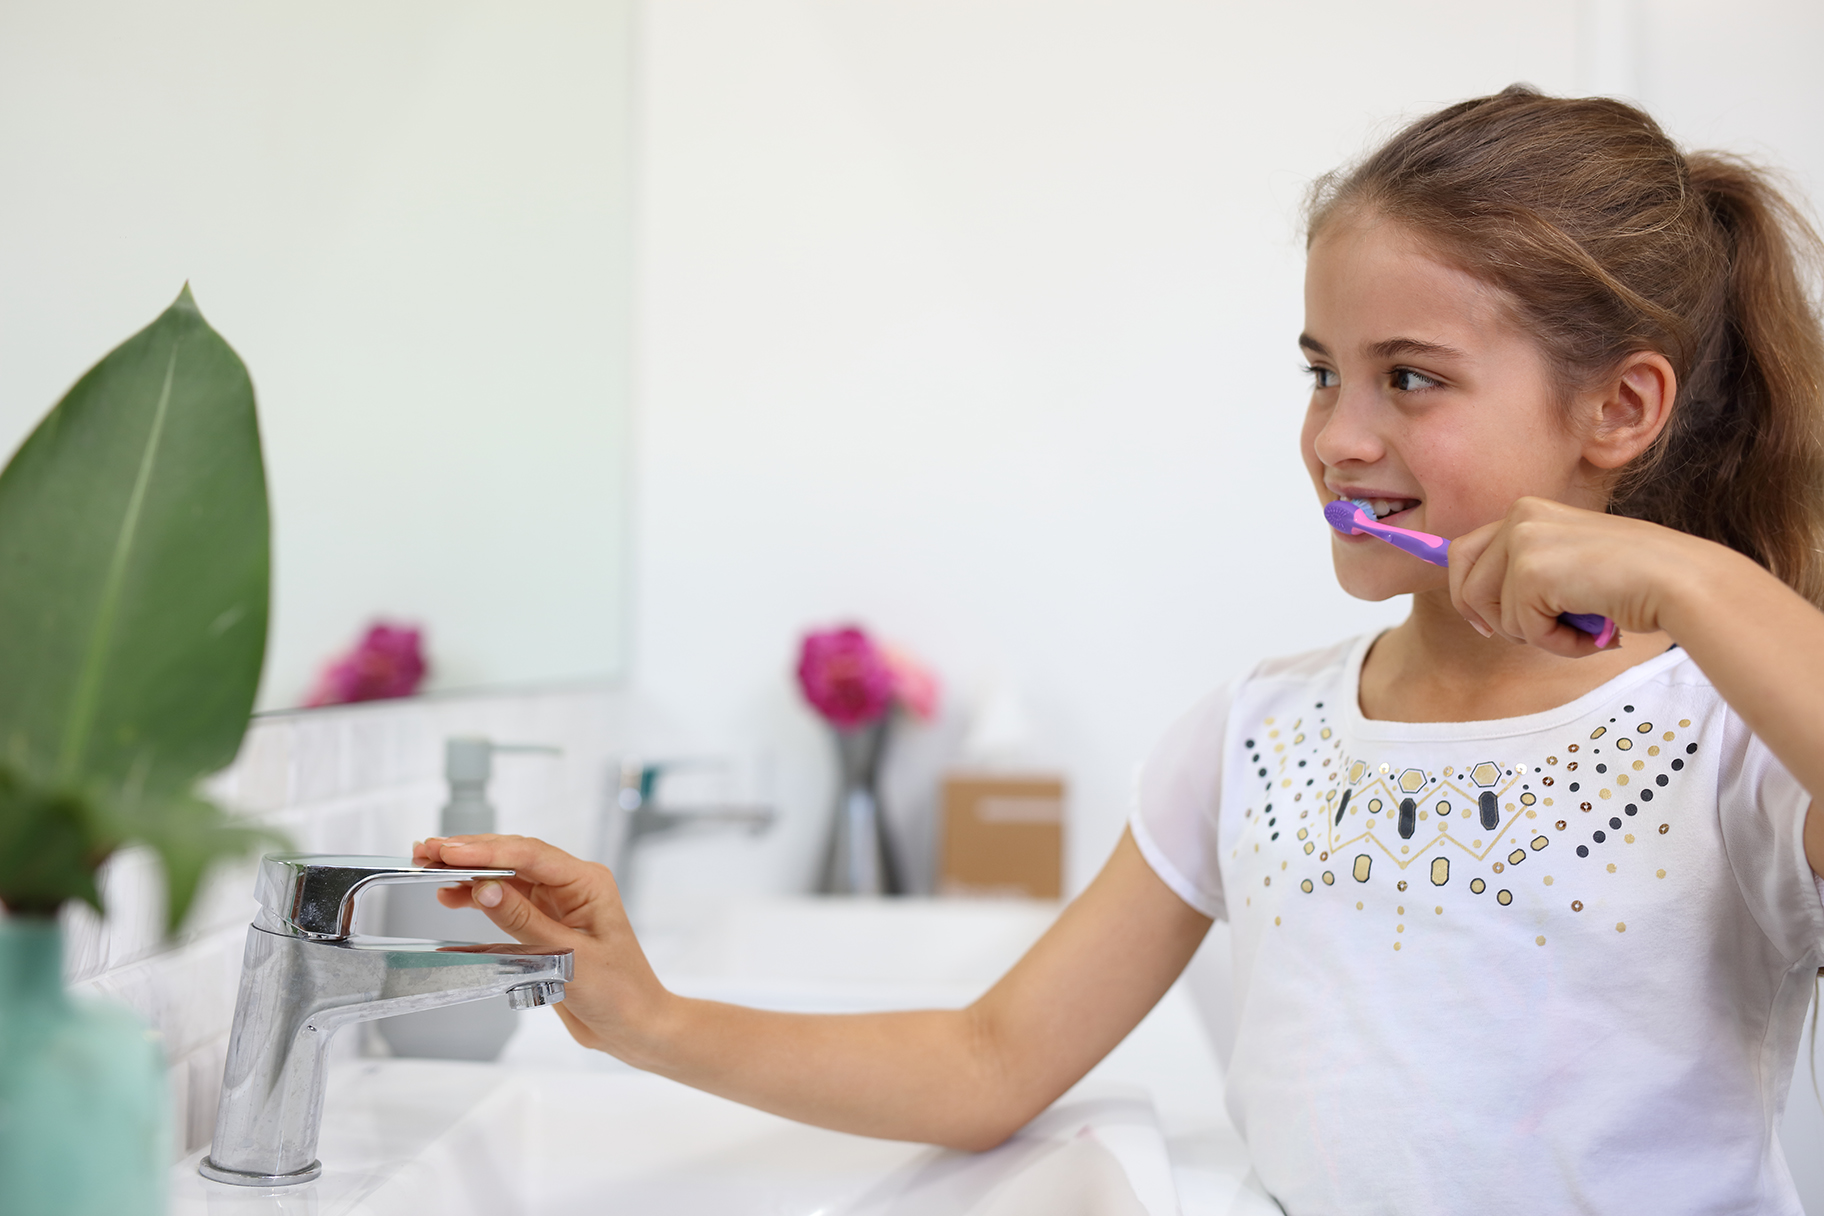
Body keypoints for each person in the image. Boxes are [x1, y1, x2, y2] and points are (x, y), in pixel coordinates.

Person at [414, 86, 1824, 1212]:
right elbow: (988, 1062)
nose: (1337, 434)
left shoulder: (1731, 734)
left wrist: (1686, 581)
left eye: (1412, 377)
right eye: (1322, 370)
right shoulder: (1259, 737)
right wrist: (650, 1016)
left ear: (1621, 411)